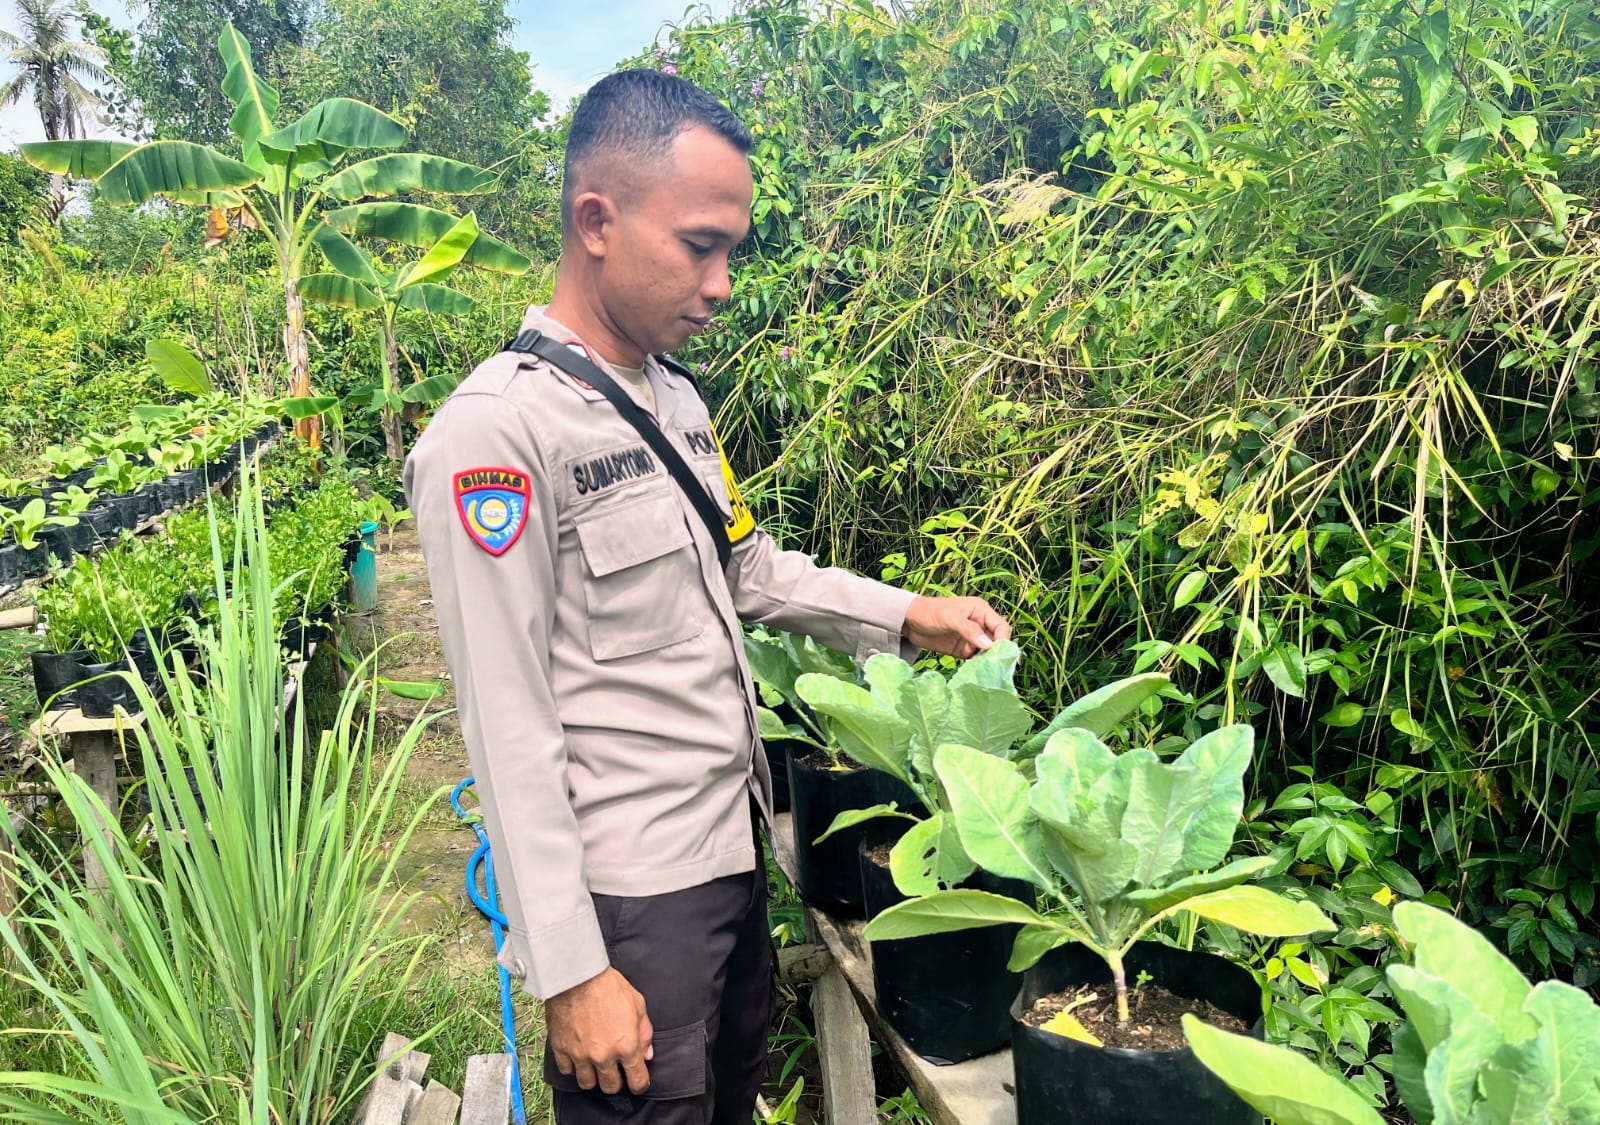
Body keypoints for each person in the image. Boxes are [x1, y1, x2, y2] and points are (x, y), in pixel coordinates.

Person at [404, 68, 1010, 1125]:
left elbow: (744, 565)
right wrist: (569, 968)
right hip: (632, 909)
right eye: (700, 245)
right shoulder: (494, 437)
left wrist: (903, 611)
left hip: (729, 854)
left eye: (731, 249)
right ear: (597, 219)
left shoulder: (673, 399)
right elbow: (505, 723)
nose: (723, 282)